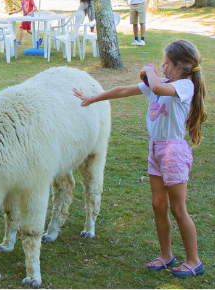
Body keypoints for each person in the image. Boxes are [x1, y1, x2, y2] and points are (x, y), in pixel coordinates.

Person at [72, 39, 207, 279]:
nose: (162, 67)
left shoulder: (185, 86)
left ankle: (193, 261)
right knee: (158, 205)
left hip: (173, 151)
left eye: (166, 63)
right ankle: (166, 256)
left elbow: (155, 88)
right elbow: (125, 90)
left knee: (178, 208)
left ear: (179, 67)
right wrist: (94, 97)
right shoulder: (163, 82)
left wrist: (150, 70)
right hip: (156, 148)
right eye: (161, 64)